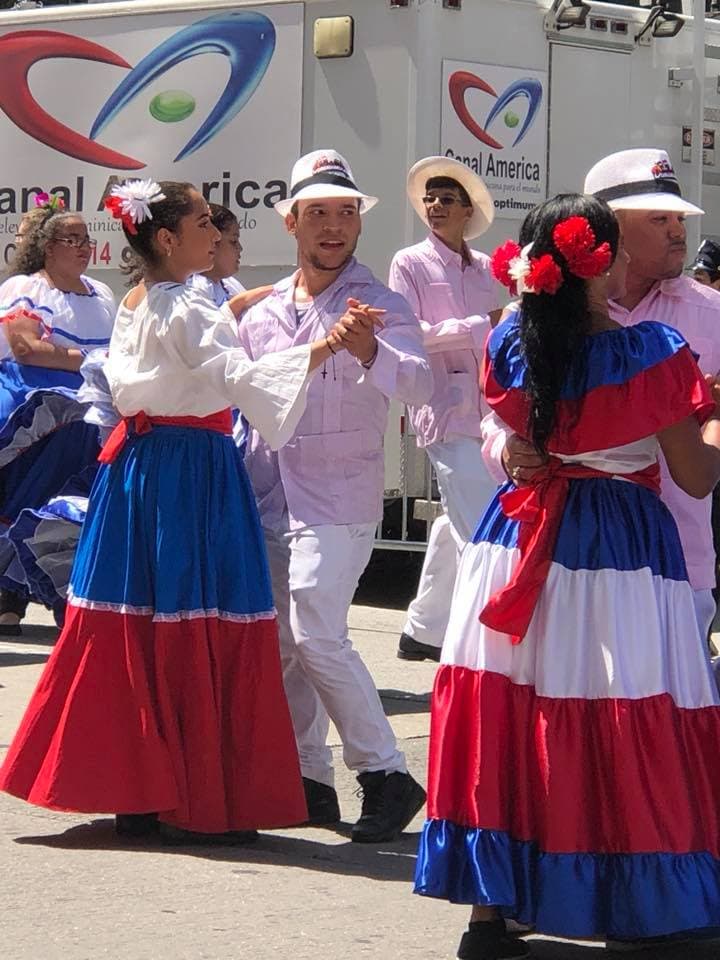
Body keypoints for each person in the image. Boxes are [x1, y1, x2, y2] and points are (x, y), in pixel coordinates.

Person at [0, 178, 353, 843]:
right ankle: (196, 792)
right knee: (197, 614)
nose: (215, 236)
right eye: (201, 226)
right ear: (167, 238)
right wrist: (323, 348)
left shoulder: (137, 297)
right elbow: (234, 376)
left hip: (139, 468)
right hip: (191, 468)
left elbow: (157, 366)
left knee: (139, 620)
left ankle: (139, 791)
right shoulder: (183, 304)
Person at [417, 193, 720, 959]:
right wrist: (713, 417)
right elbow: (697, 477)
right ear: (608, 261)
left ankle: (492, 912)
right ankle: (643, 899)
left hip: (514, 541)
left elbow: (508, 423)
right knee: (621, 709)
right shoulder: (650, 350)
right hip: (614, 547)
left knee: (512, 714)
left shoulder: (511, 342)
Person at [238, 149, 432, 842]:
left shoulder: (381, 304)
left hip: (339, 498)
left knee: (318, 633)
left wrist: (371, 353)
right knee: (287, 643)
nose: (333, 226)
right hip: (269, 495)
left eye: (345, 212)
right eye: (317, 212)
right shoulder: (258, 313)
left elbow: (421, 386)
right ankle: (307, 781)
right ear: (291, 222)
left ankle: (384, 772)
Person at [489, 148, 720, 641]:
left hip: (680, 555)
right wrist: (506, 451)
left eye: (678, 217)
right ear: (605, 231)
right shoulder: (526, 322)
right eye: (659, 218)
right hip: (551, 550)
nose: (678, 231)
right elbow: (490, 423)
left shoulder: (711, 313)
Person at [391, 156, 503, 664]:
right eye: (430, 197)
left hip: (492, 412)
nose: (435, 205)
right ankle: (472, 643)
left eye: (446, 198)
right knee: (479, 524)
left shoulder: (486, 269)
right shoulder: (409, 262)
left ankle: (423, 629)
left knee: (454, 522)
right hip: (445, 409)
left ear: (467, 211)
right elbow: (408, 333)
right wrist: (486, 324)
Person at [0, 197, 115, 634]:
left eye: (87, 239)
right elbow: (27, 347)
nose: (84, 247)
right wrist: (88, 359)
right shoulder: (28, 288)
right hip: (38, 405)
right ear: (49, 247)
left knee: (76, 487)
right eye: (73, 239)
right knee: (33, 485)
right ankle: (12, 594)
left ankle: (60, 590)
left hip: (89, 407)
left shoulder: (101, 294)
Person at [188, 202, 273, 314]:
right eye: (233, 241)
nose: (240, 248)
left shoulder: (230, 284)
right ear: (212, 241)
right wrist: (239, 304)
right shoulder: (192, 289)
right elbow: (205, 328)